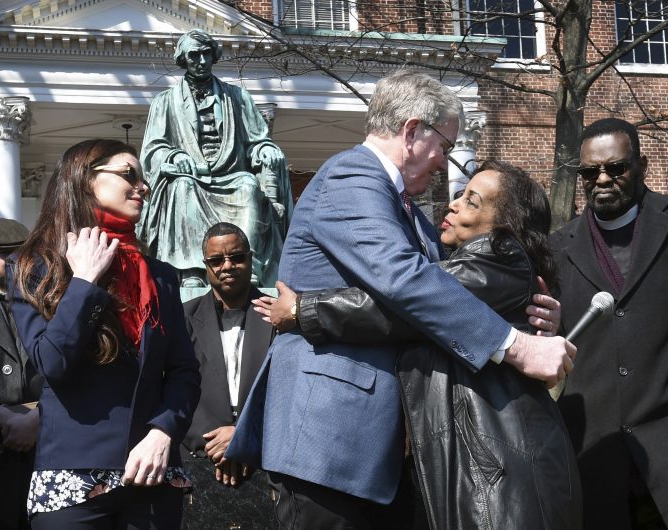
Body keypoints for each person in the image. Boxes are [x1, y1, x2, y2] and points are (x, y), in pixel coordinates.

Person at [226, 70, 576, 528]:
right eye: (445, 148)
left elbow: (452, 287)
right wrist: (516, 345)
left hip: (373, 450)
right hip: (330, 439)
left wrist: (529, 312)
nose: (443, 164)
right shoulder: (353, 175)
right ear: (413, 131)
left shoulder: (405, 208)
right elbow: (404, 281)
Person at [7, 139, 201, 529]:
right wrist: (83, 282)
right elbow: (53, 364)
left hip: (150, 470)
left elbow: (184, 371)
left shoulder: (159, 275)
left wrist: (164, 431)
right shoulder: (32, 265)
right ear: (84, 180)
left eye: (143, 178)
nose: (142, 186)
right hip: (72, 473)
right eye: (129, 174)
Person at [552, 117, 668, 530]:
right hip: (596, 459)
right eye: (590, 172)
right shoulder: (557, 248)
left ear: (641, 165)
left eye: (616, 167)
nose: (602, 179)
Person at [138, 29, 293, 287]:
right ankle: (192, 272)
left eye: (206, 54)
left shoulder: (238, 98)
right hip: (190, 178)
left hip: (232, 176)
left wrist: (264, 148)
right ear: (183, 59)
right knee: (182, 187)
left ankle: (248, 266)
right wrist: (174, 156)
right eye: (194, 55)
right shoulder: (164, 102)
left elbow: (256, 141)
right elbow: (152, 151)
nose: (201, 61)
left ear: (214, 56)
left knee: (248, 186)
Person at [181, 222, 274, 529]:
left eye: (237, 257)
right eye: (216, 261)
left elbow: (289, 393)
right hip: (201, 462)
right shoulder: (182, 319)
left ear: (250, 258)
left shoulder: (277, 317)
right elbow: (173, 388)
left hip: (264, 464)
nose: (227, 266)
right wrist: (217, 447)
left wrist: (246, 435)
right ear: (205, 265)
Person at [0, 217, 43, 530]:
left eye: (20, 252)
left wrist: (38, 419)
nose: (15, 260)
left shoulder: (49, 299)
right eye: (5, 253)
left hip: (43, 453)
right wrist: (0, 414)